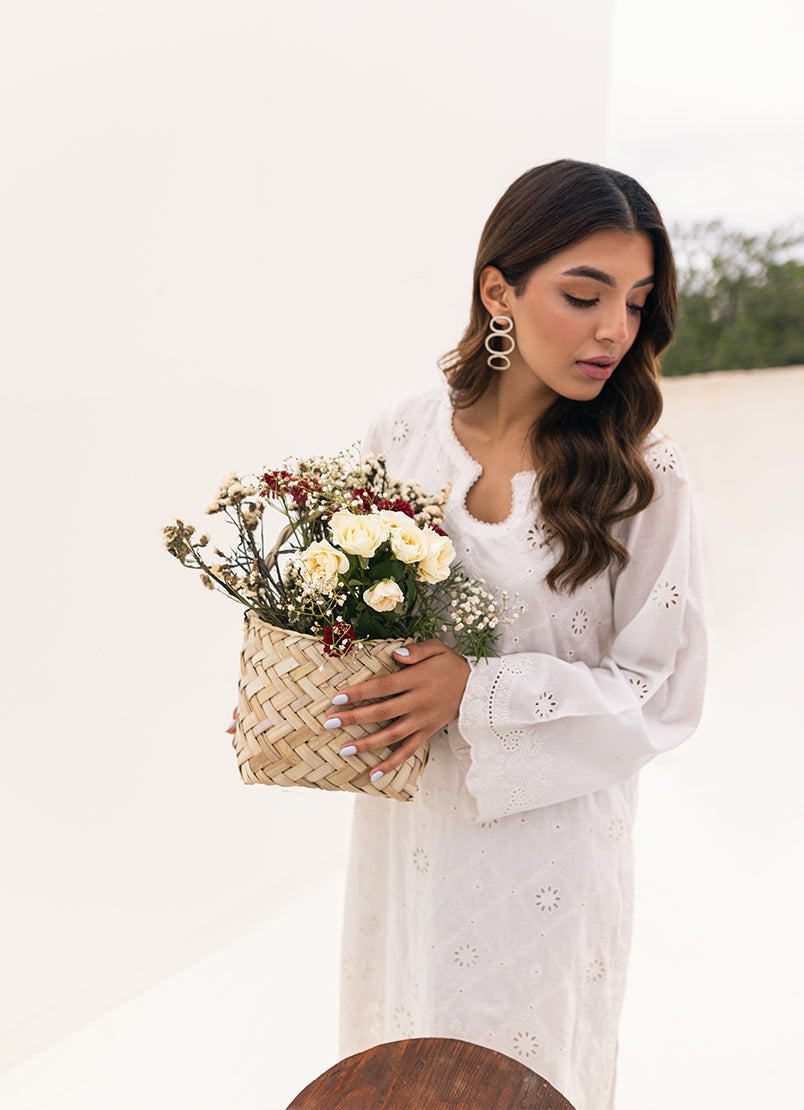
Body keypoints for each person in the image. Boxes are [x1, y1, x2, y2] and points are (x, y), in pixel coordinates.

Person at [244, 159, 707, 1110]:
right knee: (398, 1058)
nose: (614, 329)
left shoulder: (644, 476)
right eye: (583, 295)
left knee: (517, 1073)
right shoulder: (405, 436)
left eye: (636, 300)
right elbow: (356, 617)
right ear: (499, 289)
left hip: (549, 852)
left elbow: (663, 690)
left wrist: (479, 691)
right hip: (410, 834)